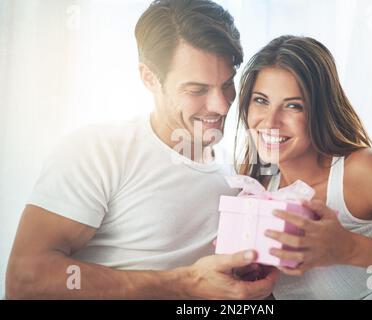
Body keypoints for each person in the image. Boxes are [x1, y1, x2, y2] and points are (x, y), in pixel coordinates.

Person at [5, 0, 277, 299]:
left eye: (227, 84)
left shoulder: (236, 175)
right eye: (197, 90)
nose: (222, 105)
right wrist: (183, 282)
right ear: (149, 78)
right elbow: (26, 279)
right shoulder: (99, 151)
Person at [235, 35, 372, 299]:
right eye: (261, 100)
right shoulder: (257, 187)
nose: (271, 121)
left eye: (293, 105)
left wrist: (350, 248)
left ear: (321, 110)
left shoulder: (361, 172)